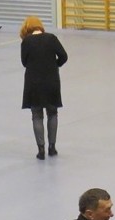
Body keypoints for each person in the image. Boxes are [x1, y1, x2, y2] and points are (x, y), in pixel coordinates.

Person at [20, 16, 68, 160]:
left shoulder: (26, 42)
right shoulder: (51, 38)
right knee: (52, 113)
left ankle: (41, 150)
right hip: (51, 80)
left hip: (33, 82)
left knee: (36, 115)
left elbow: (24, 62)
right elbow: (64, 56)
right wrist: (55, 65)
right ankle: (52, 147)